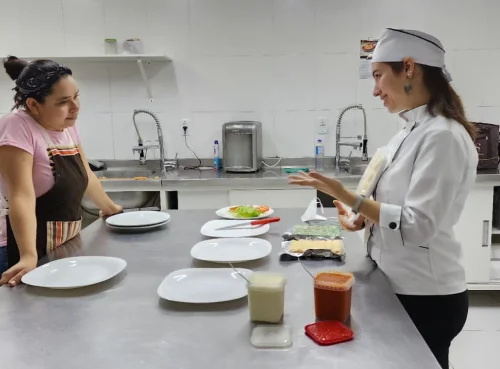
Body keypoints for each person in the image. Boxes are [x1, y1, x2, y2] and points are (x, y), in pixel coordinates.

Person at [289, 28, 476, 369]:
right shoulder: (408, 132)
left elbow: (417, 226)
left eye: (378, 76)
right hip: (396, 282)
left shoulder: (443, 137)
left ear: (408, 68)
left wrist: (347, 196)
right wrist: (358, 216)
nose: (375, 90)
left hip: (426, 296)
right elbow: (390, 208)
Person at [0, 56, 123, 287]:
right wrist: (28, 255)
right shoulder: (16, 127)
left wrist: (110, 208)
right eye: (63, 101)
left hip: (59, 244)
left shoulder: (66, 127)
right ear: (34, 105)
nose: (75, 107)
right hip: (17, 247)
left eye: (76, 97)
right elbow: (20, 195)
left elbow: (85, 173)